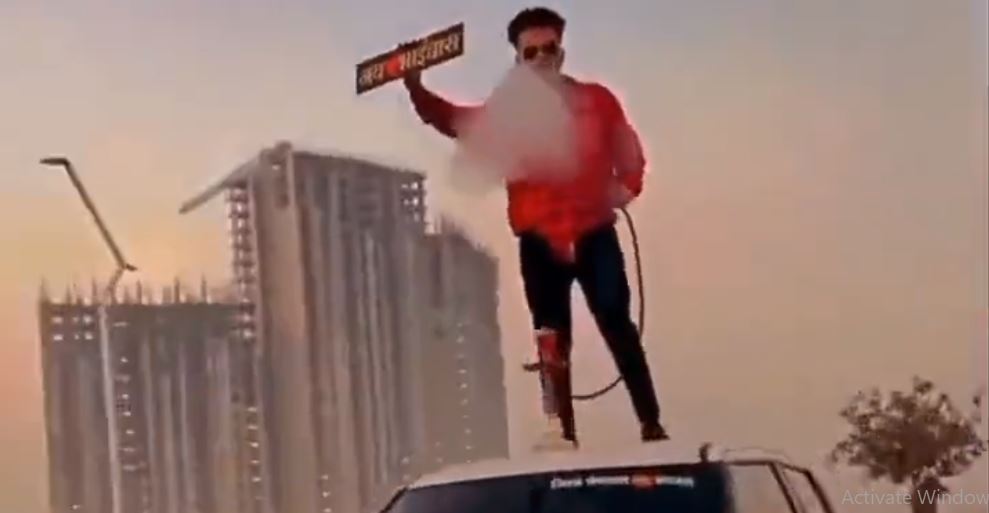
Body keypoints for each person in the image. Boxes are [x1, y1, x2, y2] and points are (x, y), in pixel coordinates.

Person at [401, 6, 669, 446]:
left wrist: (627, 186)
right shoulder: (509, 114)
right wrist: (416, 88)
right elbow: (455, 122)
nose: (543, 58)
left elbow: (628, 150)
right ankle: (561, 433)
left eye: (550, 49)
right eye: (532, 52)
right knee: (550, 338)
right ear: (518, 59)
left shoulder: (597, 100)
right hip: (539, 238)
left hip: (593, 230)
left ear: (561, 52)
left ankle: (651, 423)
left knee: (616, 321)